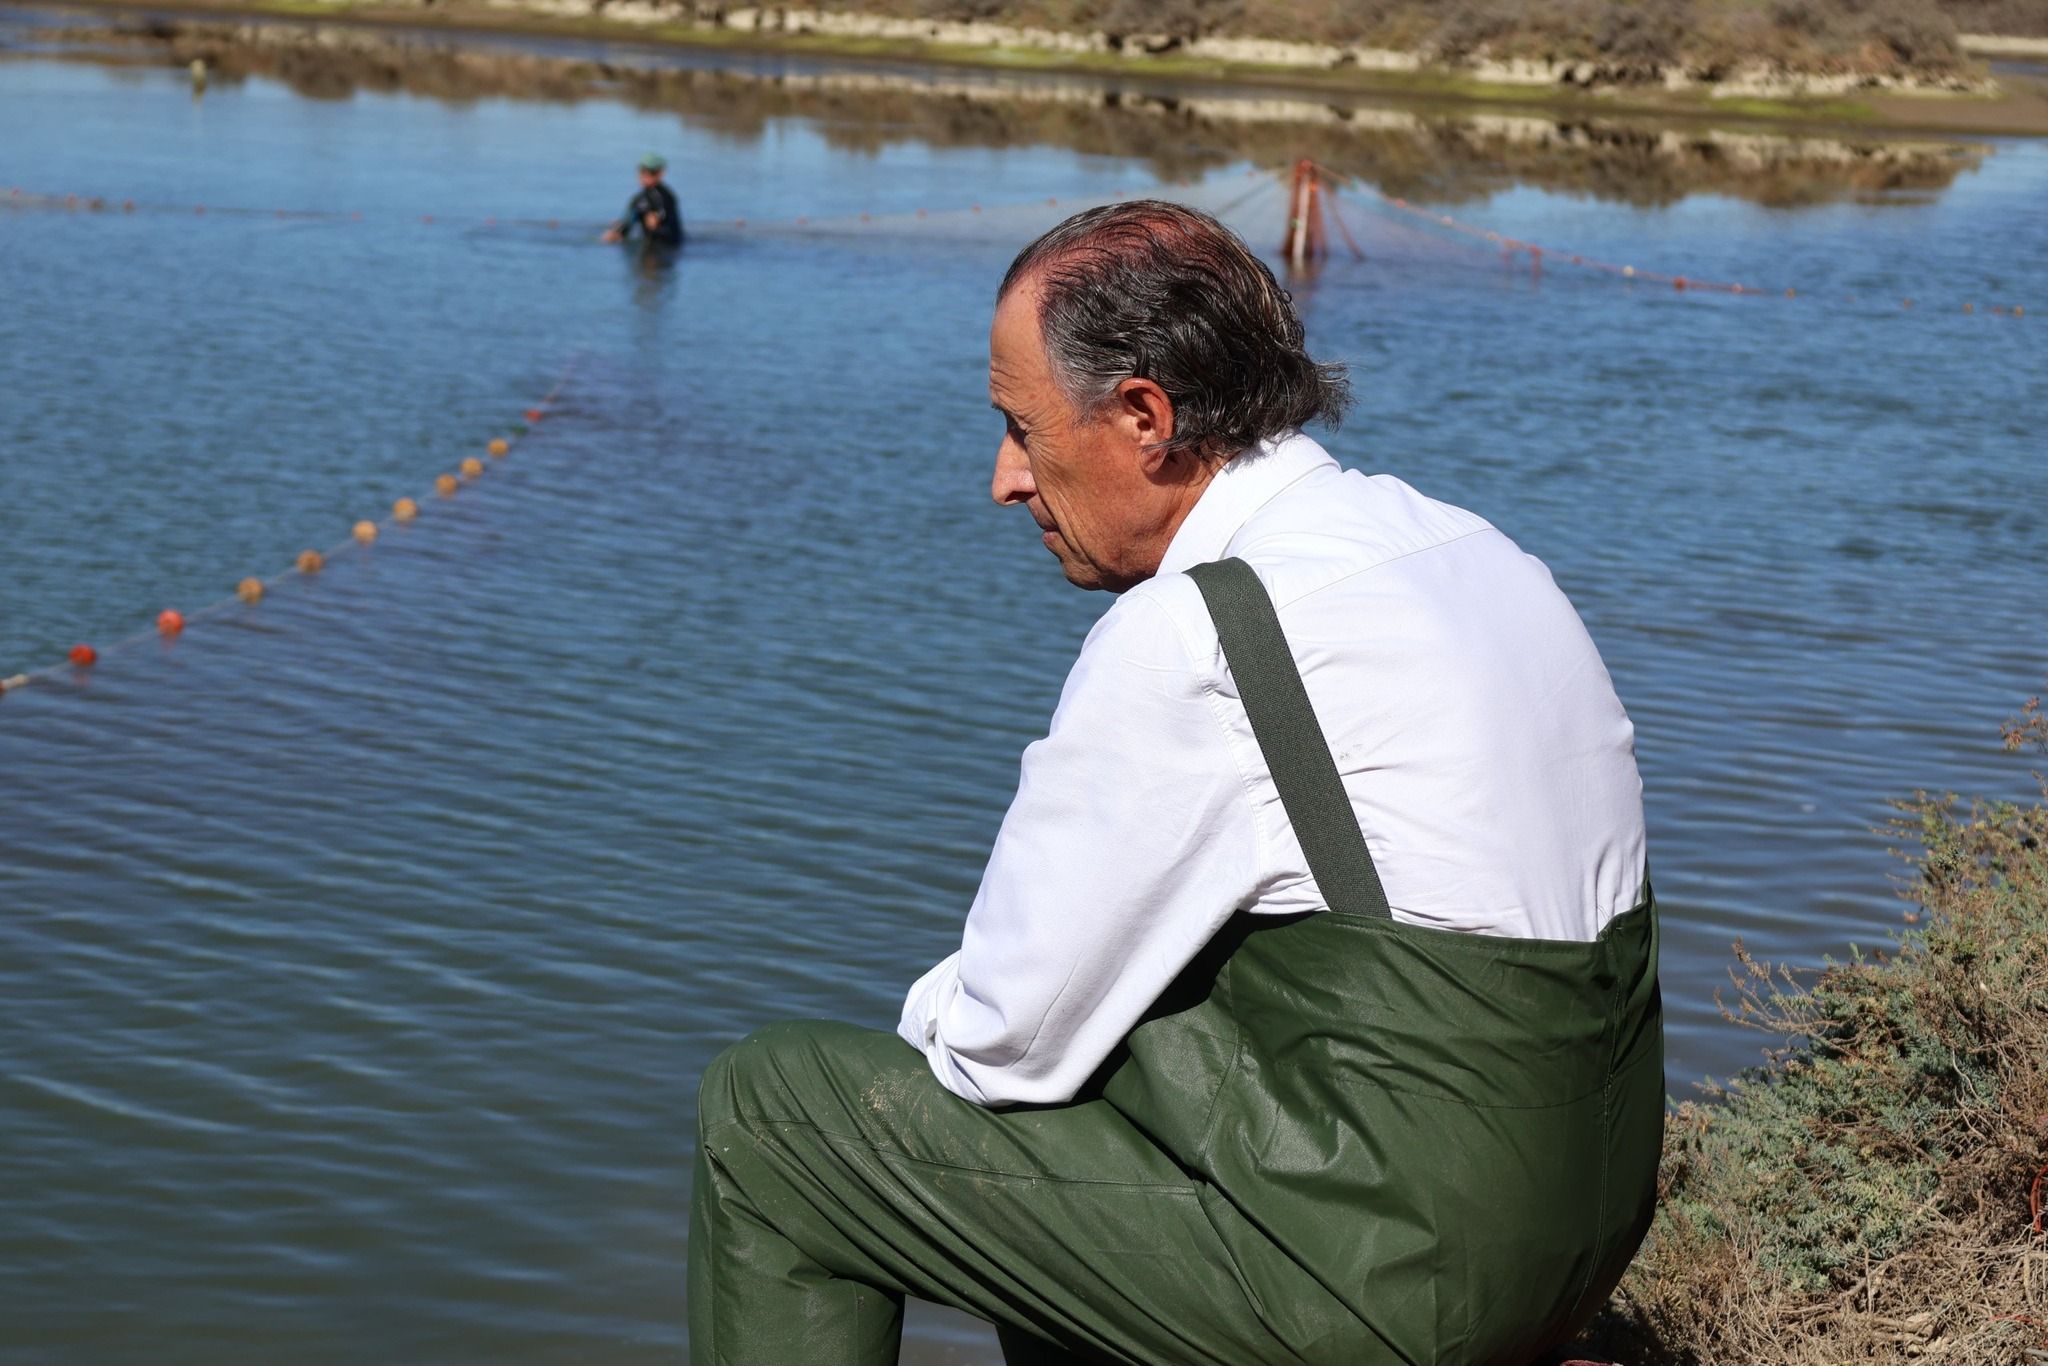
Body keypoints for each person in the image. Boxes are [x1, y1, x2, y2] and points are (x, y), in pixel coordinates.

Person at [689, 200, 1662, 1365]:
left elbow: (1004, 1040)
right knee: (1098, 1084)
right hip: (1575, 1231)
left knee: (776, 1116)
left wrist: (936, 1011)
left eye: (1019, 426)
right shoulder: (1471, 550)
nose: (1005, 479)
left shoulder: (1197, 631)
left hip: (1389, 1281)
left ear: (1144, 416)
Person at [602, 152, 683, 248]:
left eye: (651, 172)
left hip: (666, 246)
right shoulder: (639, 198)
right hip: (650, 244)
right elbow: (632, 217)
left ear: (660, 173)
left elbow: (662, 214)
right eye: (642, 171)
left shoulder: (664, 195)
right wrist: (619, 229)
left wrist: (657, 218)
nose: (645, 175)